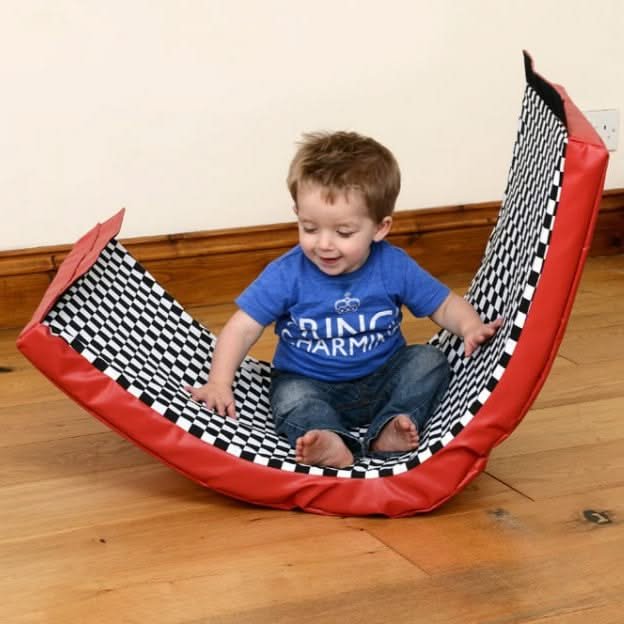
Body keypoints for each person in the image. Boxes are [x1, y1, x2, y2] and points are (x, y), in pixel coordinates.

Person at [186, 131, 502, 468]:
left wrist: (470, 325)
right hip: (310, 382)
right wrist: (218, 382)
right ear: (297, 213)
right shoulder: (287, 273)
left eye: (344, 232)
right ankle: (327, 438)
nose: (324, 244)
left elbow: (442, 304)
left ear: (380, 228)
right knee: (289, 397)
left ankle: (392, 425)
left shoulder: (392, 265)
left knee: (429, 360)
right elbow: (242, 328)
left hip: (383, 376)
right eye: (309, 228)